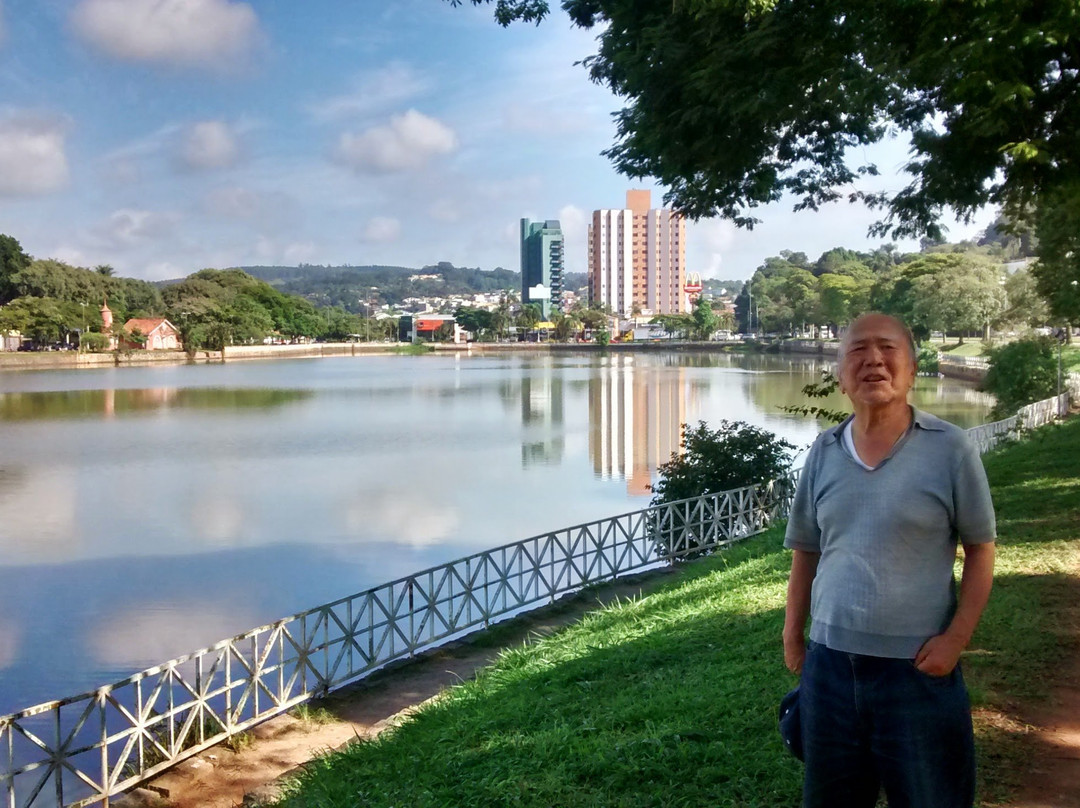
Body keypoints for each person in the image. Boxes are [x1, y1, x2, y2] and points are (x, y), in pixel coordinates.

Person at [783, 312, 996, 808]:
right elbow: (806, 551)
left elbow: (981, 551)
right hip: (830, 670)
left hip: (917, 673)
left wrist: (956, 640)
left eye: (887, 348)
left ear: (912, 367)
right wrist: (794, 636)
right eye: (857, 350)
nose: (873, 360)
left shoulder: (950, 449)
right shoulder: (825, 450)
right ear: (840, 373)